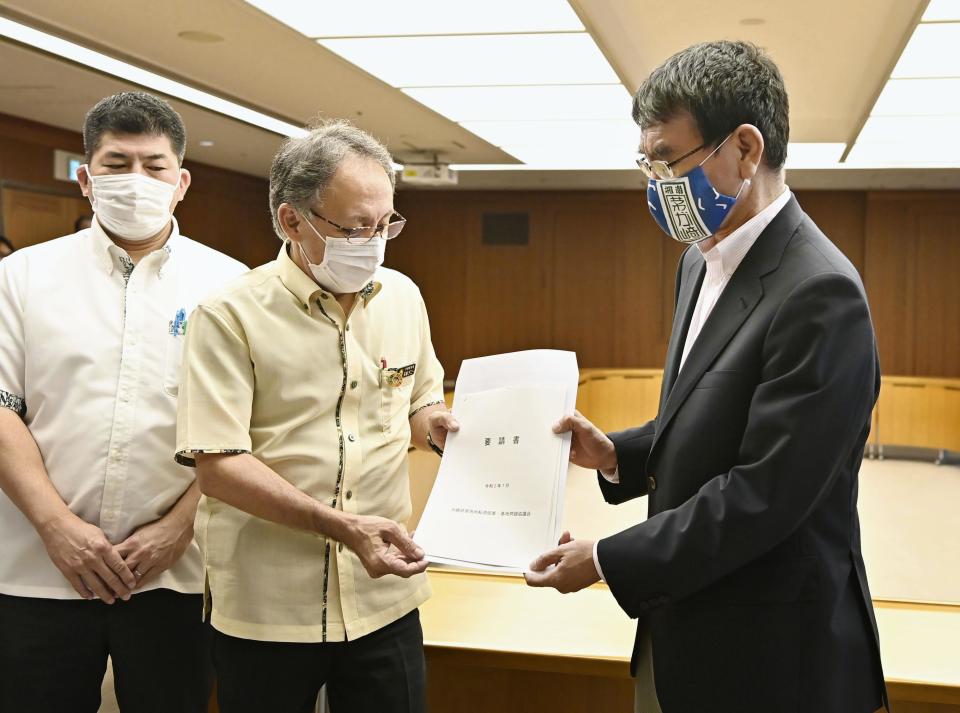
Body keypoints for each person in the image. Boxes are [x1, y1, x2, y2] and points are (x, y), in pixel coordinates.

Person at [522, 41, 887, 713]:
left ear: (745, 149)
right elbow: (703, 410)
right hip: (682, 625)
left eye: (666, 160)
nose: (654, 183)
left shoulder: (821, 292)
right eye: (646, 162)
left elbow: (764, 495)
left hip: (771, 659)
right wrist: (618, 454)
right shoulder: (699, 261)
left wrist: (607, 558)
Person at [175, 118, 455, 713]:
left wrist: (441, 429)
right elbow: (219, 466)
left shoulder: (402, 295)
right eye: (355, 227)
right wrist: (343, 528)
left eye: (385, 225)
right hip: (268, 606)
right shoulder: (228, 315)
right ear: (291, 220)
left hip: (385, 595)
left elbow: (420, 401)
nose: (373, 243)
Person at [0, 91, 247, 713]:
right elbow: (3, 408)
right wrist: (58, 529)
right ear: (85, 179)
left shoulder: (234, 287)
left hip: (177, 572)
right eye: (116, 164)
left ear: (181, 181)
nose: (135, 179)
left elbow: (251, 427)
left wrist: (177, 528)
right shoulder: (22, 277)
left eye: (154, 165)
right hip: (36, 569)